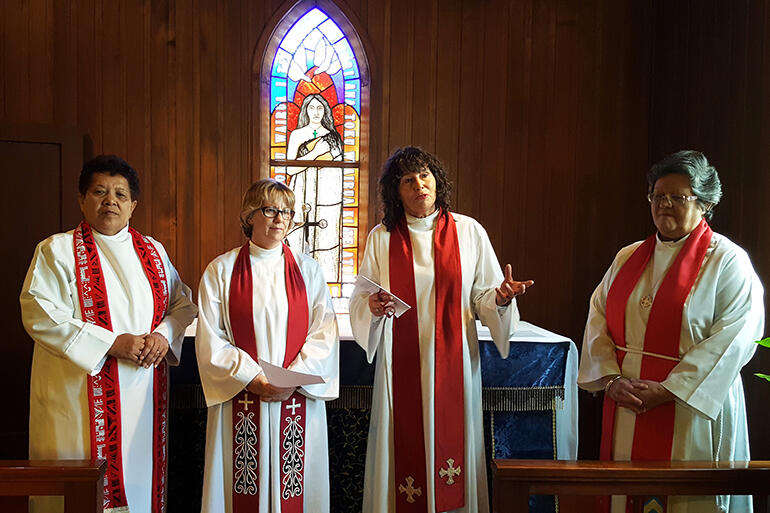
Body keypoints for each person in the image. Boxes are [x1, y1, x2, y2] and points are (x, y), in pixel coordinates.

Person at [349, 147, 534, 513]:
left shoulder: (468, 232)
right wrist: (369, 306)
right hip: (401, 360)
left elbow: (482, 296)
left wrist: (499, 300)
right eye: (408, 180)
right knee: (402, 446)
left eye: (425, 175)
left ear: (437, 180)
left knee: (452, 448)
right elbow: (362, 297)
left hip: (453, 360)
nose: (419, 185)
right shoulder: (382, 238)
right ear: (395, 191)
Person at [578, 150, 764, 513]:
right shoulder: (628, 257)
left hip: (691, 407)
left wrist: (669, 389)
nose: (664, 204)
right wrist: (612, 380)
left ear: (706, 203)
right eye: (657, 195)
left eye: (678, 197)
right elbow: (597, 318)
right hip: (630, 401)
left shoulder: (727, 261)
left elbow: (736, 335)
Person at [20, 155, 198, 513]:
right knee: (77, 497)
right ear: (82, 200)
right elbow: (39, 313)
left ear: (133, 205)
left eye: (120, 194)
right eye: (99, 191)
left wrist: (163, 335)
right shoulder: (56, 250)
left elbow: (183, 305)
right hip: (76, 401)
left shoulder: (154, 252)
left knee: (138, 486)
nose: (110, 201)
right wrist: (111, 343)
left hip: (141, 400)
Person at [196, 178, 339, 513]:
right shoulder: (222, 269)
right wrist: (252, 378)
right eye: (271, 209)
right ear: (249, 216)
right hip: (243, 394)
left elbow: (324, 331)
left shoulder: (309, 270)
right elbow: (211, 335)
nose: (281, 219)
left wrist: (292, 379)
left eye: (288, 212)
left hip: (296, 396)